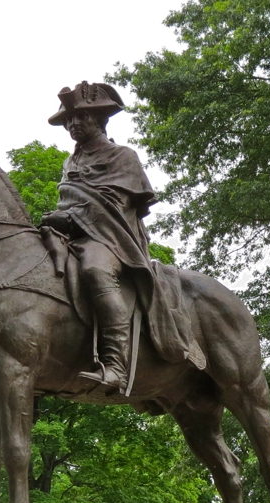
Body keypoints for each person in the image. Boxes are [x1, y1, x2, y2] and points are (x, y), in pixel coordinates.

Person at [41, 82, 193, 392]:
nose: (72, 125)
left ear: (97, 119)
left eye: (79, 117)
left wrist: (70, 217)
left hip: (110, 238)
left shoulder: (123, 156)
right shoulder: (70, 163)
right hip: (72, 236)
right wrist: (56, 222)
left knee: (96, 271)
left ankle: (115, 365)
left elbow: (114, 206)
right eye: (68, 120)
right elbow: (68, 203)